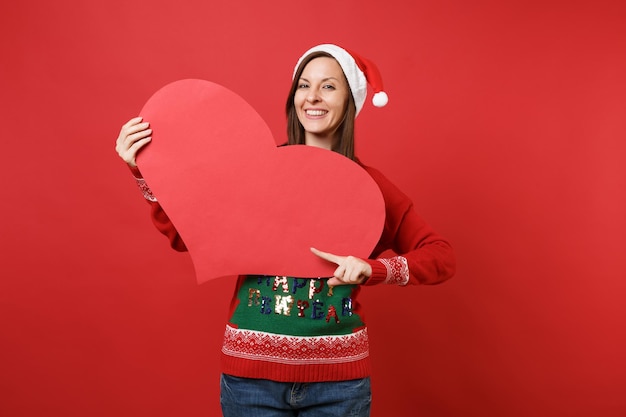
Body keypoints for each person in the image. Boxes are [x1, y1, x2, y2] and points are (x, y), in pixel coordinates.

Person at [115, 44, 456, 417]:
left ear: (350, 101)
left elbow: (440, 256)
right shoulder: (257, 173)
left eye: (328, 86)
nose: (312, 97)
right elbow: (188, 237)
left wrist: (374, 269)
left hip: (339, 386)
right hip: (250, 383)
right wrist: (144, 172)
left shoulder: (371, 188)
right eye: (303, 85)